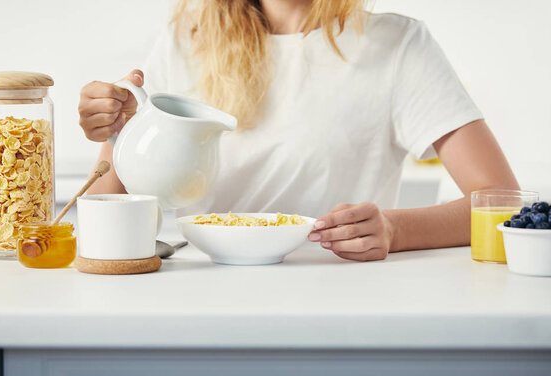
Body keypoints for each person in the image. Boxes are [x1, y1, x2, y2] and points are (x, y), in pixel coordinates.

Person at [78, 0, 518, 262]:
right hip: (202, 298)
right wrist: (115, 130)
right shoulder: (184, 41)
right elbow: (108, 209)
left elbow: (500, 200)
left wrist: (394, 229)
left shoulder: (398, 44)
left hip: (341, 299)